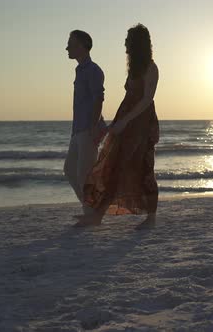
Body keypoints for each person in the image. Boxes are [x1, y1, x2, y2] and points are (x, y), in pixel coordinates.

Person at [75, 23, 160, 230]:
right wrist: (115, 122)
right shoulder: (134, 68)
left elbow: (147, 99)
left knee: (142, 168)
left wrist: (125, 121)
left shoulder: (151, 67)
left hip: (141, 122)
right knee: (114, 166)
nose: (124, 44)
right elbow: (128, 98)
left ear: (137, 44)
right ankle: (97, 215)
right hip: (127, 120)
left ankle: (151, 218)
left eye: (127, 40)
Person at [63, 30, 107, 224]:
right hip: (77, 130)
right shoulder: (80, 70)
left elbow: (99, 98)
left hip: (88, 129)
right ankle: (92, 210)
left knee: (84, 174)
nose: (67, 48)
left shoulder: (93, 70)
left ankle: (92, 215)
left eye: (70, 44)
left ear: (82, 45)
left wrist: (92, 127)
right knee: (70, 171)